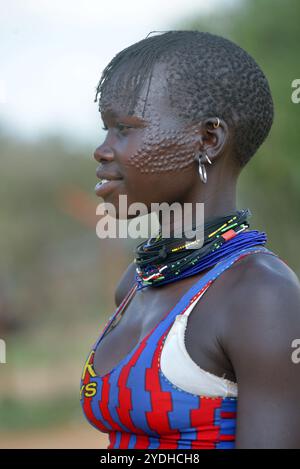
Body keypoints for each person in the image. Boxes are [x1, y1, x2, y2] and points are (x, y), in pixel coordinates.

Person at [80, 30, 300, 449]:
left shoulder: (260, 296)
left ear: (207, 140)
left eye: (125, 128)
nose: (102, 150)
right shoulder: (136, 284)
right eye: (105, 129)